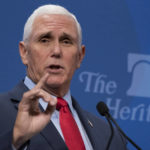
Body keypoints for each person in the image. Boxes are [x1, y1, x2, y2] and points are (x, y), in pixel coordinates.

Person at [0, 4, 128, 150]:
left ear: (80, 56)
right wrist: (15, 141)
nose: (56, 51)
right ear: (24, 52)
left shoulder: (109, 135)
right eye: (44, 40)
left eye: (66, 41)